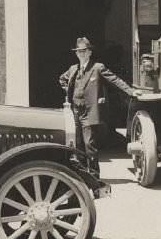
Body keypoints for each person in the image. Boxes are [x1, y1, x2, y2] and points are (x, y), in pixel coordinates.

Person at [58, 37, 138, 177]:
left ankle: (94, 176)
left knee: (90, 144)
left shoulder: (97, 68)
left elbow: (115, 80)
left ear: (89, 52)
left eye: (83, 51)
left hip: (89, 112)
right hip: (75, 110)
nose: (81, 54)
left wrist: (131, 91)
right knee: (77, 144)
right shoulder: (73, 69)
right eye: (78, 51)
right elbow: (62, 79)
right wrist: (68, 91)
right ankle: (82, 175)